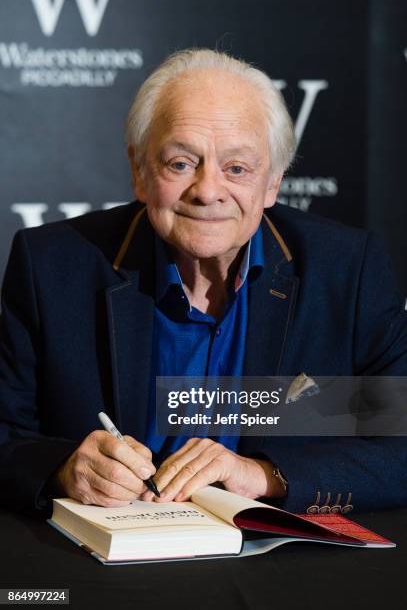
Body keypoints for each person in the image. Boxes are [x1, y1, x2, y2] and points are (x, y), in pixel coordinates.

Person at [0, 49, 406, 518]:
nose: (208, 190)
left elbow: (400, 445)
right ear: (139, 170)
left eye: (237, 168)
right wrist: (63, 468)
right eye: (180, 163)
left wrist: (263, 475)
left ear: (272, 182)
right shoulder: (53, 267)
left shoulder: (345, 271)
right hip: (108, 565)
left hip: (280, 570)